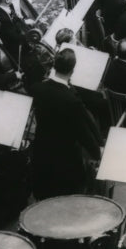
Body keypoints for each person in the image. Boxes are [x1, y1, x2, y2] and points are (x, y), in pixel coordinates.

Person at [29, 48, 103, 200]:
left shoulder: (37, 89)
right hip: (65, 164)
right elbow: (83, 133)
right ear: (73, 70)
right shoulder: (71, 100)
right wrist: (97, 152)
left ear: (54, 66)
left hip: (41, 157)